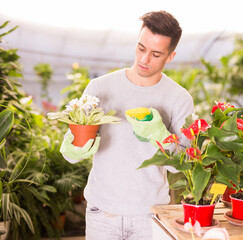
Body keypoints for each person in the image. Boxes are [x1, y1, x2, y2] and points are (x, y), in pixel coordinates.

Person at [60, 11, 194, 240]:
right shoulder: (99, 88)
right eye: (141, 48)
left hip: (150, 216)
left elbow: (184, 164)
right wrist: (76, 145)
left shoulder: (179, 98)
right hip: (102, 214)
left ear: (170, 57)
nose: (144, 59)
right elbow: (72, 154)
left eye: (155, 54)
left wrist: (159, 134)